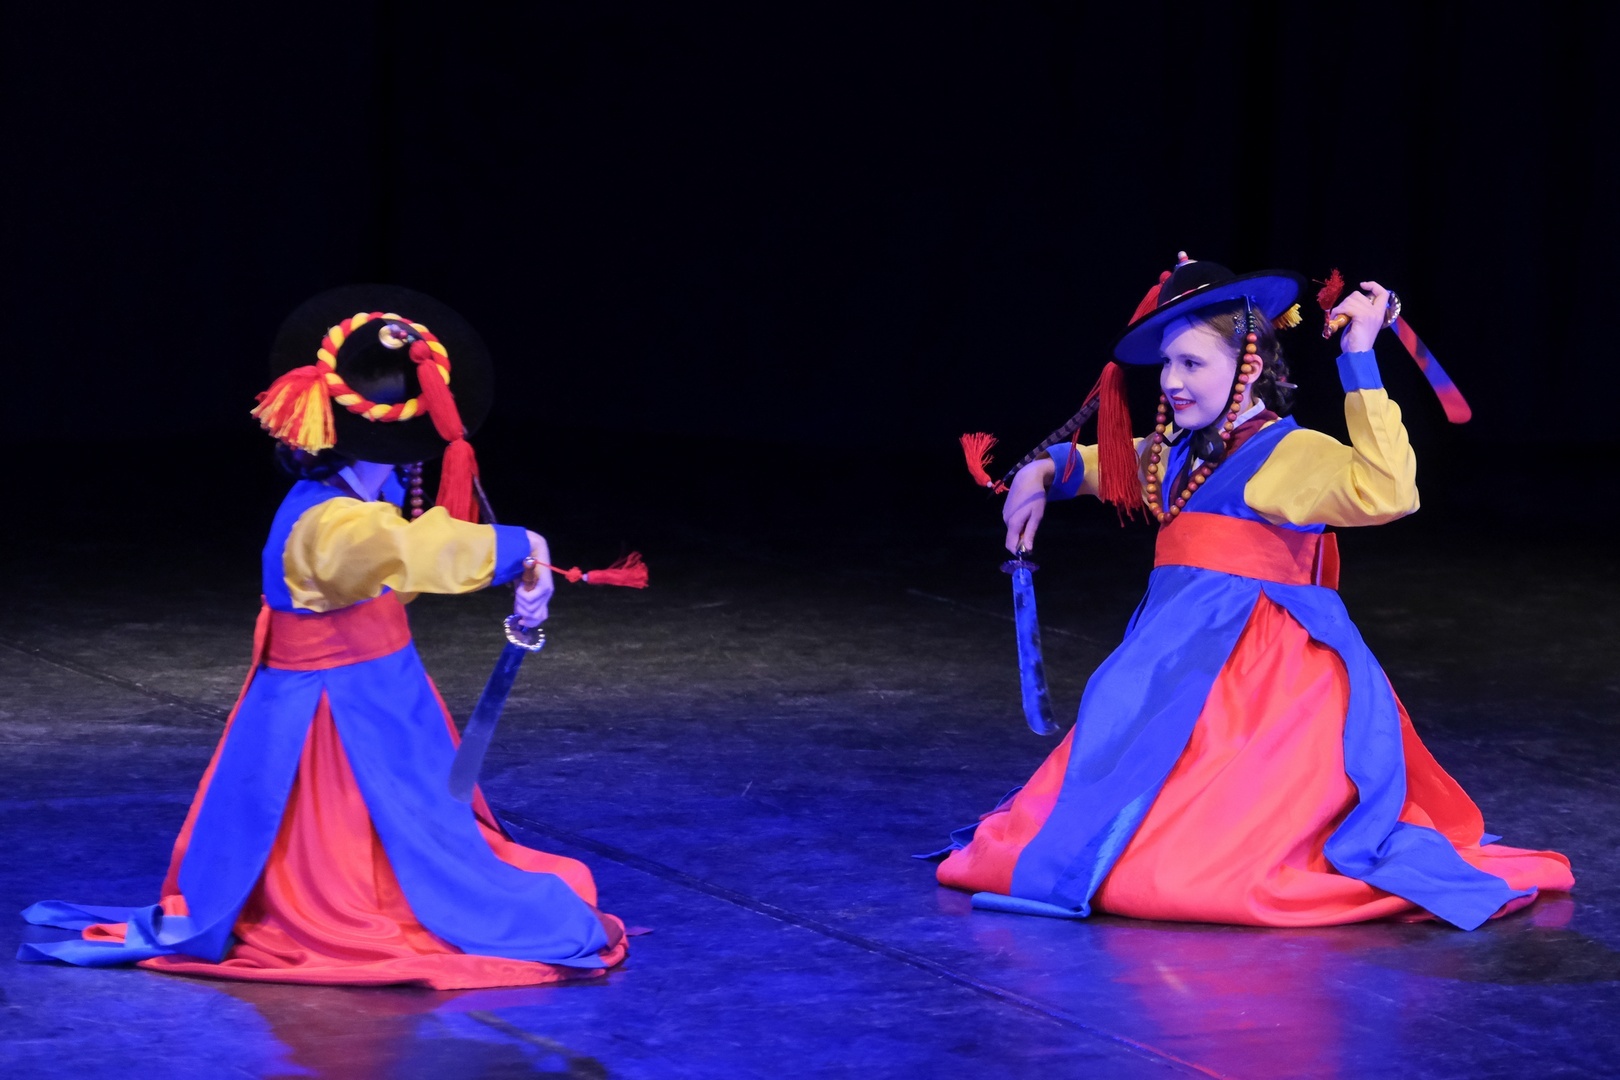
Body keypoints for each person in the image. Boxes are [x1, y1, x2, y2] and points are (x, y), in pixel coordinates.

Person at [936, 254, 1573, 929]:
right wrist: (1038, 473)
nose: (1172, 381)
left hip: (1262, 686)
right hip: (1172, 668)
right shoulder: (1179, 453)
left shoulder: (1285, 455)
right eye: (1169, 364)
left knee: (1194, 869)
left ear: (1249, 363)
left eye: (1192, 363)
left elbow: (1389, 492)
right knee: (1096, 821)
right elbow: (1100, 463)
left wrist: (1359, 357)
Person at [20, 285, 629, 987]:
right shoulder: (335, 522)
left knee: (405, 816)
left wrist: (514, 560)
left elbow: (397, 561)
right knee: (348, 849)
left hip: (378, 694)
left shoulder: (350, 503)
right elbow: (407, 552)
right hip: (336, 715)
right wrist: (524, 546)